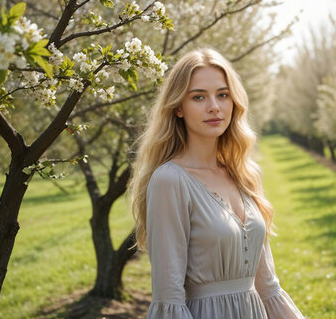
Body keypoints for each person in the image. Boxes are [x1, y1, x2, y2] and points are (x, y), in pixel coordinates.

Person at [129, 48, 305, 319]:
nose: (214, 106)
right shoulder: (170, 181)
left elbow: (267, 286)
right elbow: (168, 296)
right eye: (199, 97)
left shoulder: (244, 173)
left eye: (223, 95)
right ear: (178, 107)